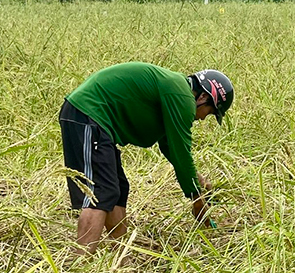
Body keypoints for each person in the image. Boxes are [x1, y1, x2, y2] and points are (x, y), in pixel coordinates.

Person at [58, 62, 234, 254]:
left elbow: (170, 146)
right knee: (100, 193)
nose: (202, 118)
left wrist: (198, 181)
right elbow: (181, 152)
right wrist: (196, 199)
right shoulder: (182, 97)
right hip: (88, 115)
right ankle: (78, 265)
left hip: (97, 122)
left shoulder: (176, 91)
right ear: (203, 97)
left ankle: (121, 260)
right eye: (209, 112)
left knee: (117, 189)